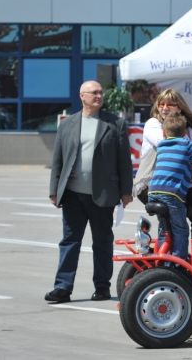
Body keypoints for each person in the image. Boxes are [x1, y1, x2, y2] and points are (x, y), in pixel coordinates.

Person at [45, 81, 133, 304]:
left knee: (102, 242)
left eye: (100, 92)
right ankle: (62, 287)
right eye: (94, 93)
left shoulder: (115, 123)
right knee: (69, 241)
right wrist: (54, 190)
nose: (99, 96)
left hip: (103, 194)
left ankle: (102, 287)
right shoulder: (68, 124)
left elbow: (124, 160)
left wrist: (126, 191)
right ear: (82, 96)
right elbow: (58, 160)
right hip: (73, 193)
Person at [147, 113, 192, 262]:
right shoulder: (186, 144)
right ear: (185, 133)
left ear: (164, 132)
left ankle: (162, 259)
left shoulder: (161, 146)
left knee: (164, 228)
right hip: (172, 194)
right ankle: (179, 264)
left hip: (153, 192)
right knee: (180, 230)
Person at [139, 88, 192, 221]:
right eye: (161, 104)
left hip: (180, 184)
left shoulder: (187, 128)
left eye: (170, 104)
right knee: (174, 221)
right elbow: (167, 142)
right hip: (152, 183)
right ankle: (171, 241)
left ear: (179, 108)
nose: (164, 108)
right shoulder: (153, 124)